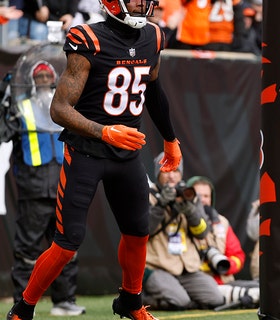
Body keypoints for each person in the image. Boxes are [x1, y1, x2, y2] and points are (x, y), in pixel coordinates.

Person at [7, 1, 182, 319]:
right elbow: (59, 109)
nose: (141, 4)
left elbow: (153, 90)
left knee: (137, 233)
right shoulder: (89, 38)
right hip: (86, 151)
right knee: (67, 242)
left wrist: (170, 139)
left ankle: (130, 302)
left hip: (127, 153)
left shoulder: (153, 36)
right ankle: (23, 308)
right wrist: (104, 132)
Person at [9, 61, 85, 316]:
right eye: (38, 75)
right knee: (28, 250)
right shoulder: (22, 107)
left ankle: (65, 301)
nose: (43, 78)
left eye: (47, 74)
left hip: (64, 186)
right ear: (32, 80)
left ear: (54, 78)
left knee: (65, 248)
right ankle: (22, 302)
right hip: (33, 188)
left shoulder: (63, 107)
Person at [143, 155, 224, 310]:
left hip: (187, 267)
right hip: (158, 266)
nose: (171, 175)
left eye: (175, 170)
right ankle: (142, 298)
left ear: (181, 174)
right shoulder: (147, 195)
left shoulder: (189, 194)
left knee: (216, 299)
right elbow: (144, 232)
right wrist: (160, 206)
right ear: (158, 173)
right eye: (166, 170)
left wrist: (191, 212)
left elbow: (203, 232)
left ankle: (179, 296)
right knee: (180, 301)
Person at [186, 175, 246, 285]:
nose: (203, 200)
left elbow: (238, 256)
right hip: (196, 283)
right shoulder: (181, 220)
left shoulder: (221, 222)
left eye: (206, 196)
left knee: (256, 291)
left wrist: (225, 265)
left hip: (224, 282)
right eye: (199, 195)